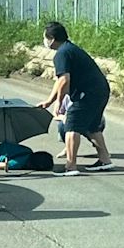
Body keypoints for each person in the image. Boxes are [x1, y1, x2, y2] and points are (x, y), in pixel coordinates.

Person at [37, 21, 114, 176]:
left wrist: (60, 102)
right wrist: (50, 100)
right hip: (100, 91)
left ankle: (71, 166)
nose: (44, 40)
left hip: (87, 94)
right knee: (92, 126)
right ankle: (105, 160)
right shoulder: (69, 49)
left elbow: (64, 80)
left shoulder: (62, 54)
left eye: (46, 37)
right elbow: (60, 81)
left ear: (52, 38)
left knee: (71, 125)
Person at [54, 94, 106, 159]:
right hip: (71, 121)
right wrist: (64, 118)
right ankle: (68, 148)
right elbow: (56, 115)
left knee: (93, 128)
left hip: (89, 120)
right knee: (62, 126)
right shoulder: (65, 97)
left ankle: (102, 152)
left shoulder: (88, 94)